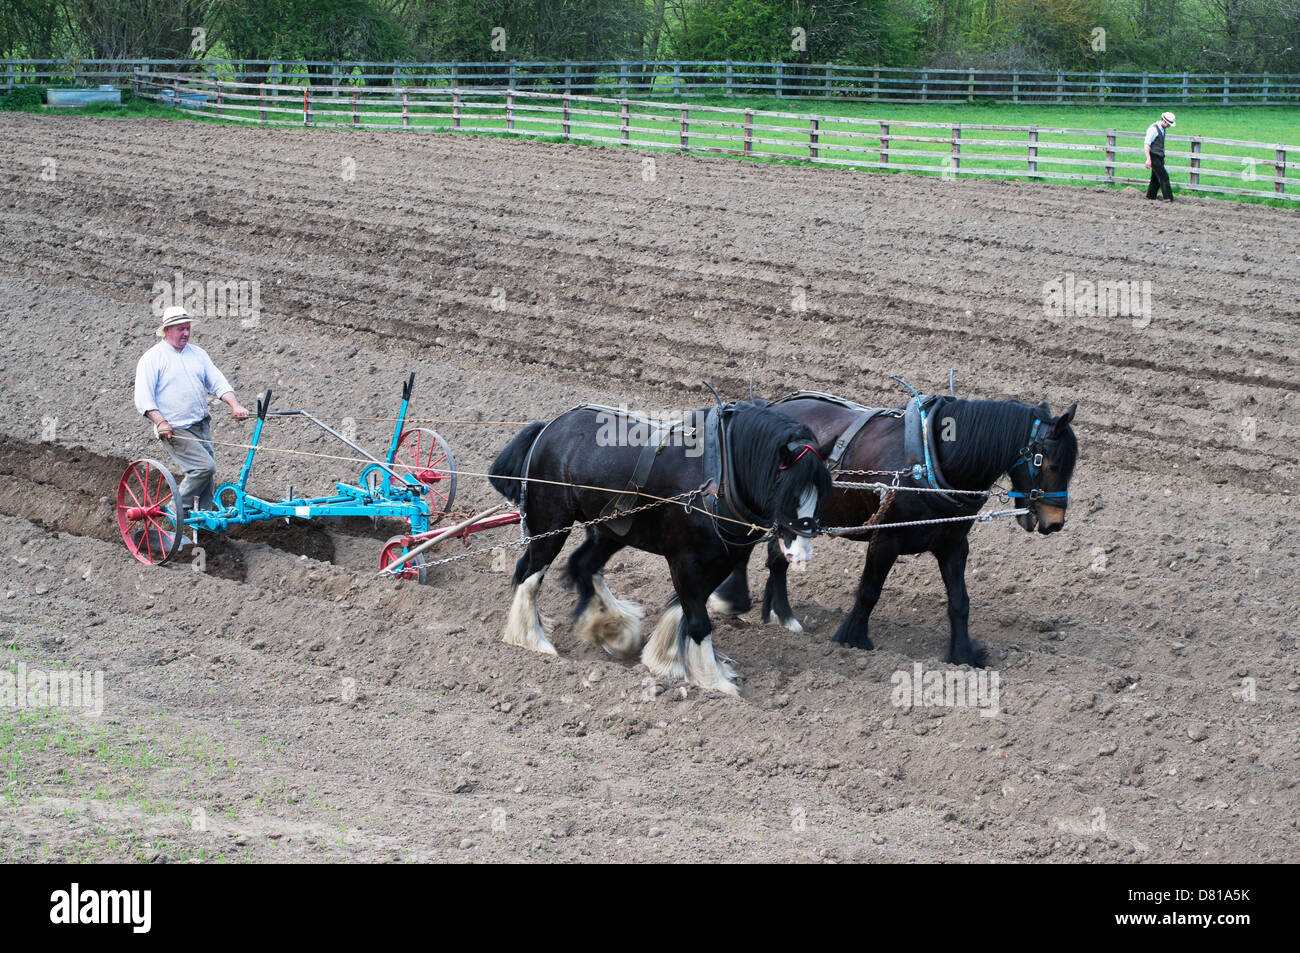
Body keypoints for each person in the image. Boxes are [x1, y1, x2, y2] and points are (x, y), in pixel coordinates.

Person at [133, 306, 251, 527]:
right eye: (181, 329)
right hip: (175, 430)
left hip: (200, 425)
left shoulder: (197, 354)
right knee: (204, 468)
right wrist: (161, 422)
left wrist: (234, 405)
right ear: (167, 330)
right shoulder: (152, 359)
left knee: (207, 480)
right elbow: (143, 398)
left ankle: (202, 524)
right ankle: (173, 512)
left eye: (187, 328)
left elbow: (217, 381)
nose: (186, 333)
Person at [1144, 111, 1176, 201]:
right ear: (1164, 121)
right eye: (1168, 124)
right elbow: (1147, 144)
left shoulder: (1162, 129)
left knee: (1155, 178)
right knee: (1164, 176)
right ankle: (1168, 198)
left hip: (1159, 157)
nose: (1169, 126)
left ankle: (1150, 196)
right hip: (1154, 156)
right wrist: (1148, 159)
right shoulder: (1153, 129)